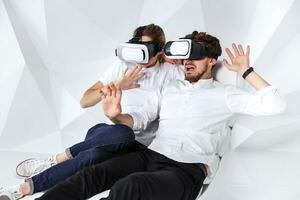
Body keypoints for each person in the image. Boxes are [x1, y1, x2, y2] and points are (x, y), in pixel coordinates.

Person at [33, 31, 286, 200]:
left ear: (211, 61)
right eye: (185, 56)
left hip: (186, 170)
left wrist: (246, 71)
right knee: (93, 174)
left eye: (195, 56)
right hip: (150, 154)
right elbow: (142, 117)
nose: (188, 61)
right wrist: (116, 116)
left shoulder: (226, 94)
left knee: (129, 186)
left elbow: (275, 105)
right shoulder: (171, 86)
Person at [0, 24, 183, 200]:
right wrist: (119, 85)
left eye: (147, 50)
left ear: (158, 50)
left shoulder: (170, 72)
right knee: (122, 133)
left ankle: (22, 189)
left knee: (93, 157)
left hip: (137, 147)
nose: (139, 56)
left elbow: (198, 70)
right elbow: (85, 101)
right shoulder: (122, 67)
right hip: (108, 135)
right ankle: (55, 160)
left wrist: (175, 57)